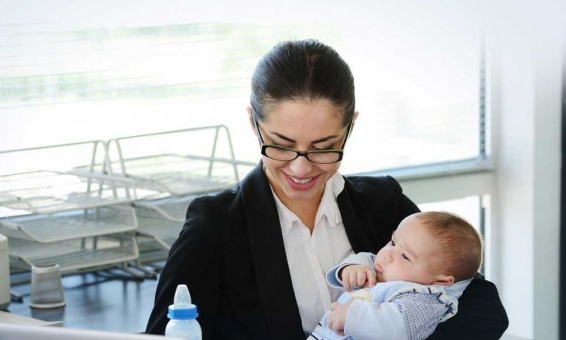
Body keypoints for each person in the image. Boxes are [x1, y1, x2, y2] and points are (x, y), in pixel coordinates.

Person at [145, 39, 508, 339]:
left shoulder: (383, 203)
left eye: (323, 147)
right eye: (281, 144)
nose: (301, 168)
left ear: (351, 126)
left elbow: (482, 307)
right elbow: (163, 333)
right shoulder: (216, 227)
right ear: (253, 124)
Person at [309, 211, 483, 340]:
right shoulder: (383, 267)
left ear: (440, 281)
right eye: (392, 242)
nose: (387, 253)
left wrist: (353, 316)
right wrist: (352, 268)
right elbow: (366, 259)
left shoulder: (425, 300)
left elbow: (395, 328)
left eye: (405, 256)